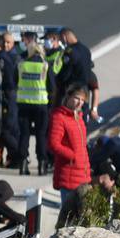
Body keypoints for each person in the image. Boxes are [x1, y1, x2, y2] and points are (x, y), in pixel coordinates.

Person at [49, 85, 92, 226]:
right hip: (68, 175)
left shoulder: (79, 118)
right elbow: (53, 143)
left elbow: (82, 147)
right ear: (68, 97)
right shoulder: (59, 117)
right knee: (68, 218)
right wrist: (71, 155)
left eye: (82, 100)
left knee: (82, 217)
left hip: (82, 175)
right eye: (76, 98)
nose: (79, 103)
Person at [14, 30, 51, 174]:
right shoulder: (44, 66)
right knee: (41, 134)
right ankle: (42, 164)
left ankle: (23, 164)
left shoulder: (22, 65)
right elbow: (52, 86)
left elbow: (14, 81)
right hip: (41, 105)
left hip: (23, 104)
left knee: (24, 134)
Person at [58, 29, 99, 122]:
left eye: (61, 39)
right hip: (84, 92)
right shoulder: (86, 49)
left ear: (65, 37)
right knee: (82, 120)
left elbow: (65, 73)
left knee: (69, 120)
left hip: (72, 92)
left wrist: (58, 80)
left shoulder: (69, 51)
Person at [0, 32, 20, 166]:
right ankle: (12, 158)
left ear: (13, 43)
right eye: (4, 42)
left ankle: (19, 155)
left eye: (8, 42)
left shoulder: (10, 58)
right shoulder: (7, 57)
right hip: (8, 97)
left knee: (7, 131)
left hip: (11, 97)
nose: (6, 45)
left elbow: (10, 80)